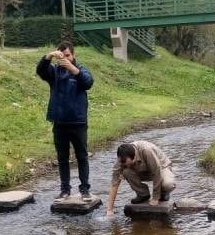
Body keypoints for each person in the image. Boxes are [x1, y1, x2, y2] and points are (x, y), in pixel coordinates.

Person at [36, 41, 94, 201]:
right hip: (59, 123)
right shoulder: (53, 73)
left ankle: (84, 190)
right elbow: (40, 71)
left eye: (67, 55)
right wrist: (49, 56)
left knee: (82, 157)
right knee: (62, 158)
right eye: (62, 56)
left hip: (78, 122)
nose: (65, 59)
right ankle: (65, 190)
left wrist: (73, 69)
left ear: (73, 55)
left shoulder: (80, 70)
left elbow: (88, 82)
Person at [106, 141, 176, 216]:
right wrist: (109, 210)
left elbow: (156, 172)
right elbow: (114, 185)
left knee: (168, 184)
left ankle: (163, 193)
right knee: (126, 171)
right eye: (123, 163)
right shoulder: (120, 161)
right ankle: (143, 194)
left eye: (128, 163)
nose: (125, 165)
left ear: (134, 156)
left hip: (161, 167)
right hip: (142, 170)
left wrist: (155, 198)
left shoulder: (146, 150)